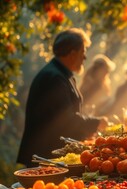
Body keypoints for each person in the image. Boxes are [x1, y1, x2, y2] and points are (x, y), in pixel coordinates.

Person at [17, 28, 108, 167]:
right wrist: (96, 123)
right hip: (45, 157)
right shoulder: (54, 78)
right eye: (83, 52)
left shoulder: (61, 74)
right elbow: (66, 119)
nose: (85, 58)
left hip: (53, 154)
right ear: (72, 54)